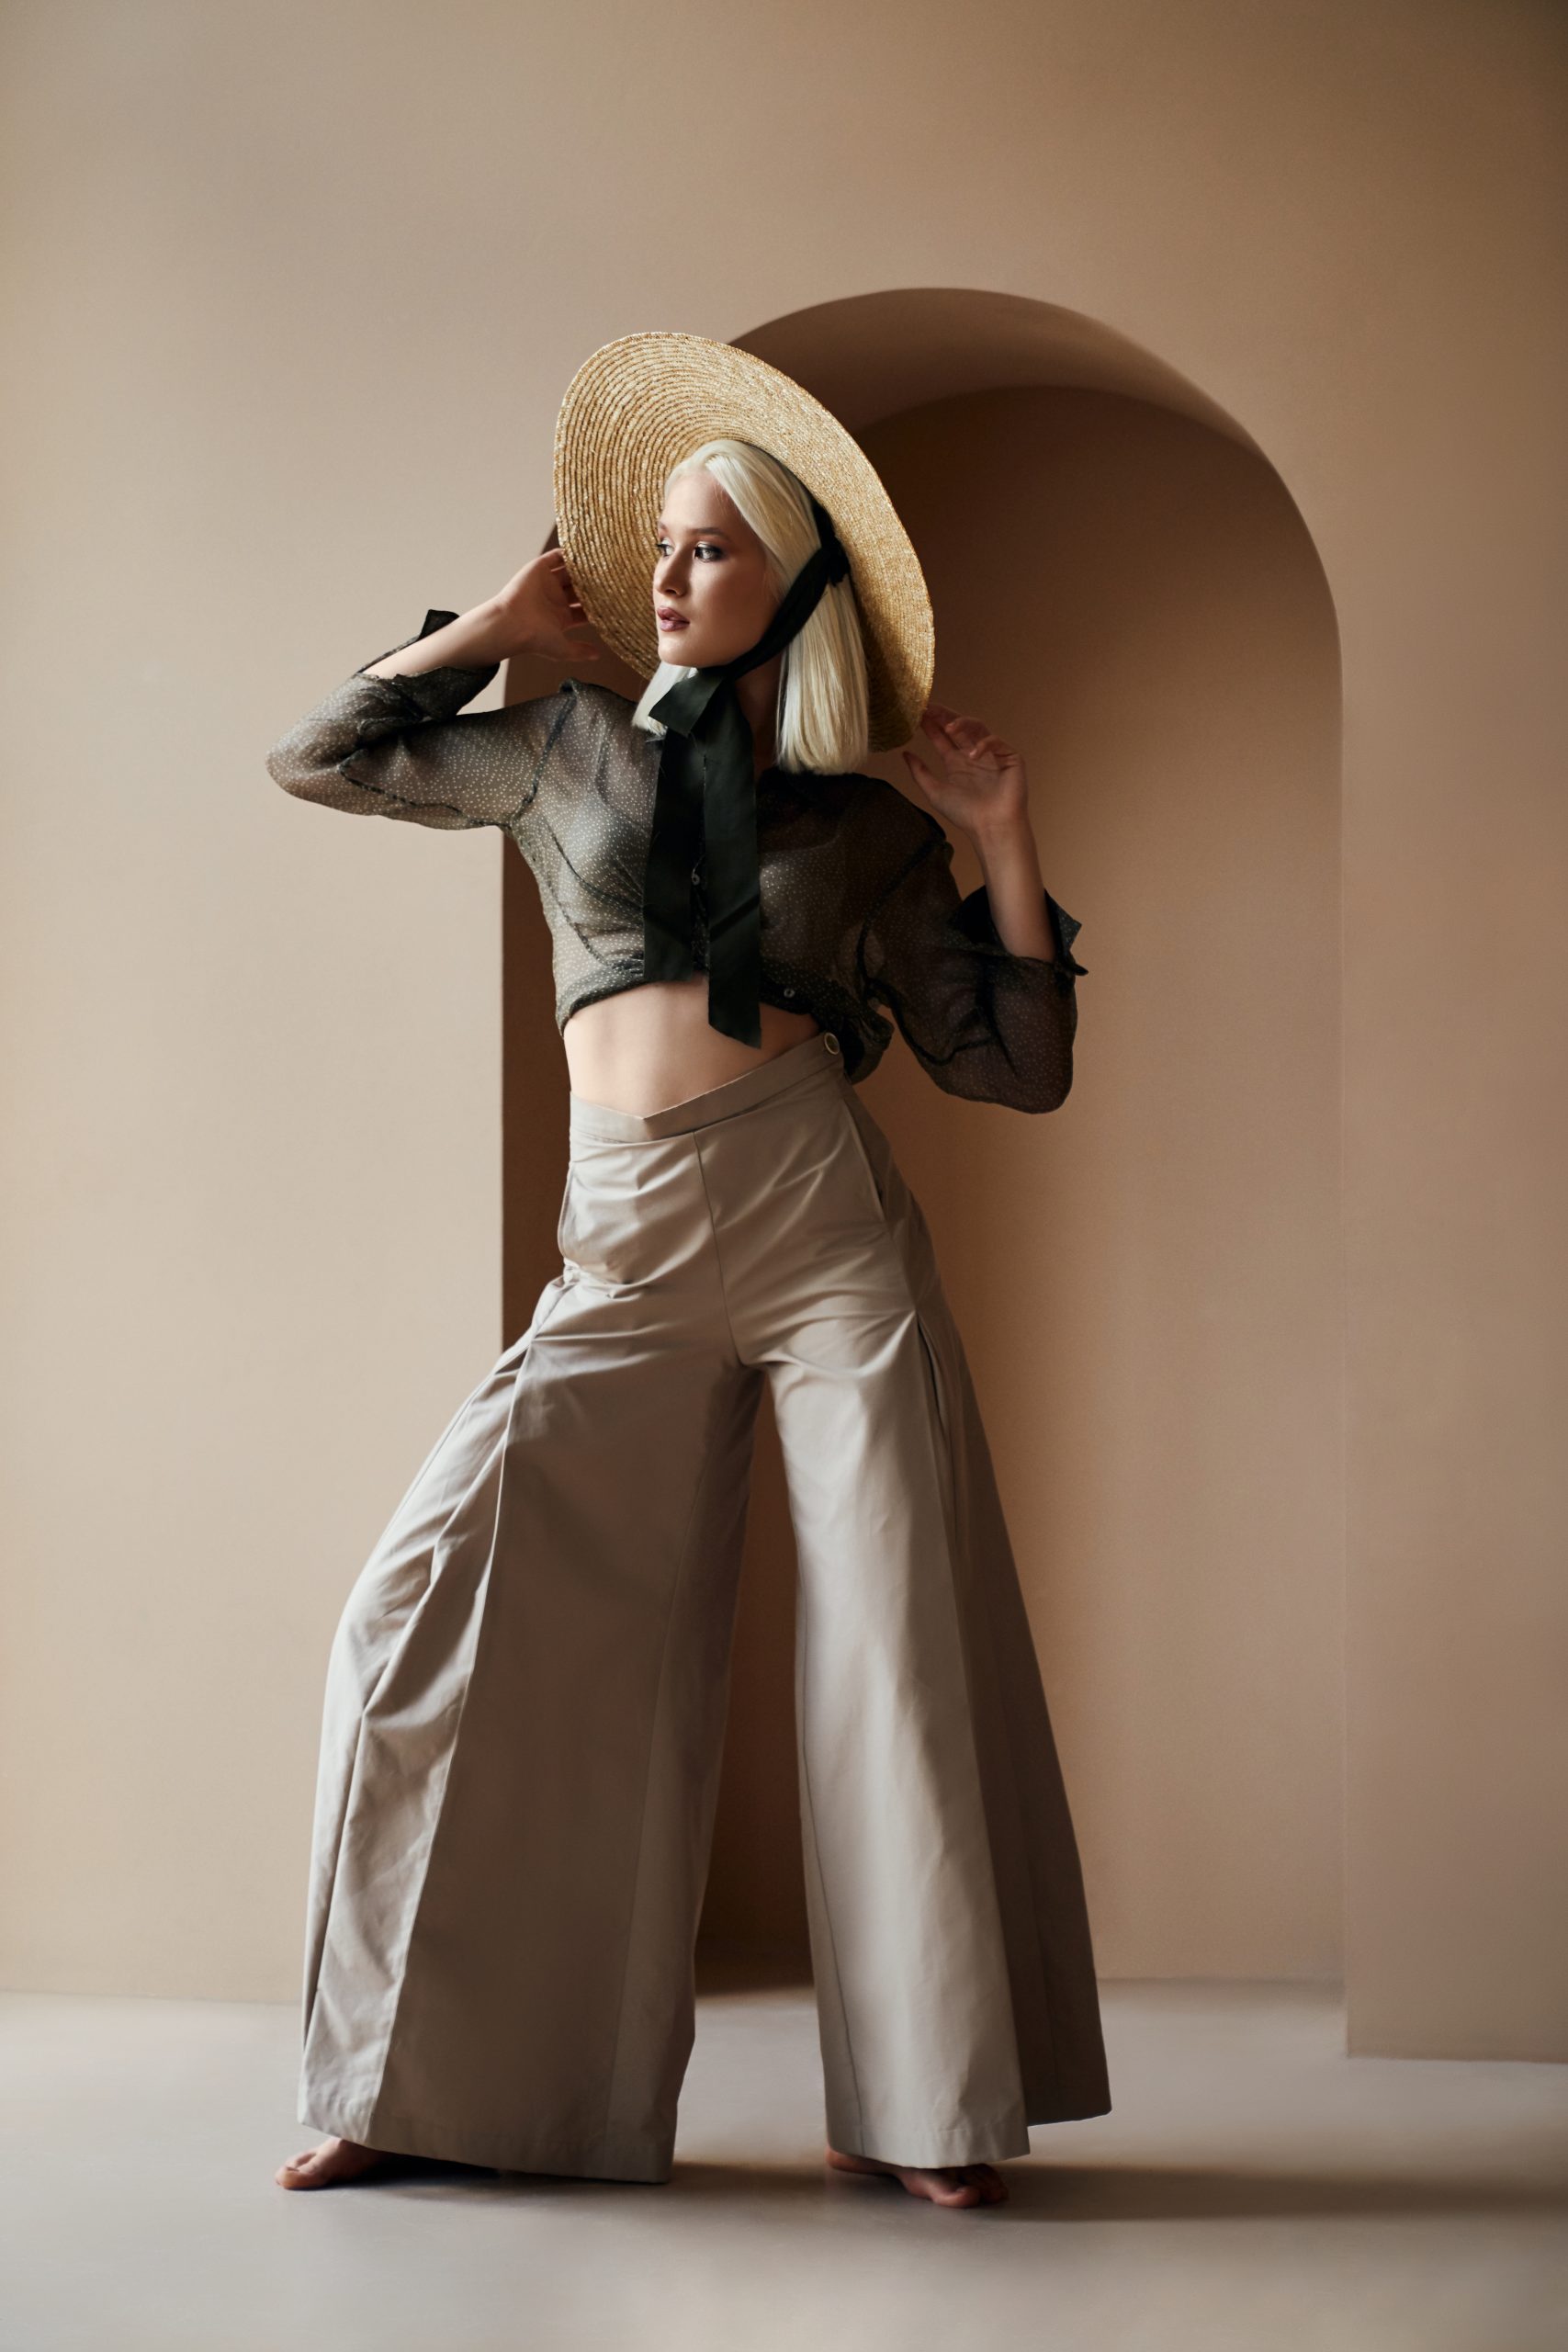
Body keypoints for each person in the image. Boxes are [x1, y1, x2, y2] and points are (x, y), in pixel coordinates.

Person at [265, 334, 1108, 2211]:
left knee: (893, 1654)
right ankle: (420, 2078)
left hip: (818, 1229)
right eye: (660, 542)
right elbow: (324, 757)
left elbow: (1016, 1065)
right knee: (424, 1618)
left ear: (791, 583)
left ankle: (924, 2100)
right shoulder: (558, 748)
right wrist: (480, 625)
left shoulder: (862, 820)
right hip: (626, 1239)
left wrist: (993, 845)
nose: (665, 572)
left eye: (713, 548)